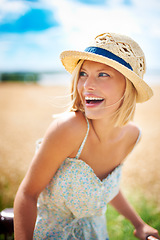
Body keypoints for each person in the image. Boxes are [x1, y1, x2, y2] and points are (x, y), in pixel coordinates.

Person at [14, 32, 160, 240]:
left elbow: (104, 188)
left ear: (128, 86)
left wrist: (139, 224)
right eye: (83, 73)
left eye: (103, 74)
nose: (87, 85)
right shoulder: (69, 129)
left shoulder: (132, 136)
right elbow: (27, 195)